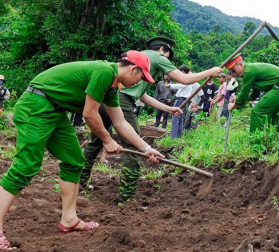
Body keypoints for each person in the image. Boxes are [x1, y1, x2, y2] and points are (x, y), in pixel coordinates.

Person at [0, 52, 164, 250]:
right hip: (36, 106)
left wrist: (146, 148)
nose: (141, 82)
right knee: (26, 165)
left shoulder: (112, 85)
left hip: (55, 110)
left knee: (74, 160)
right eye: (142, 77)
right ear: (133, 69)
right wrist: (107, 140)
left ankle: (69, 219)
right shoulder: (104, 72)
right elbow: (89, 114)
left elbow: (120, 122)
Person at [78, 36, 221, 203]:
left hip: (107, 98)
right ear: (161, 50)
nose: (167, 60)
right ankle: (127, 199)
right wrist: (210, 72)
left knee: (95, 142)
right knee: (133, 145)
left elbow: (142, 95)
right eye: (168, 55)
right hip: (121, 102)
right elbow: (184, 79)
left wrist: (167, 108)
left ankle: (79, 183)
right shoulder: (157, 57)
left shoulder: (140, 59)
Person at [226, 56, 279, 134]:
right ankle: (277, 137)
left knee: (257, 111)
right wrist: (239, 100)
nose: (234, 74)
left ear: (241, 64)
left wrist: (234, 105)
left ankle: (256, 139)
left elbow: (243, 94)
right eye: (232, 73)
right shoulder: (251, 69)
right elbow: (254, 94)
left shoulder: (248, 72)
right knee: (272, 113)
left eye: (234, 71)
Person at [167, 65, 201, 139]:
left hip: (181, 99)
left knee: (175, 118)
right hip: (184, 100)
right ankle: (179, 136)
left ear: (182, 71)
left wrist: (170, 86)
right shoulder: (189, 79)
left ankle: (173, 137)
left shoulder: (186, 79)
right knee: (180, 118)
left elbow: (179, 86)